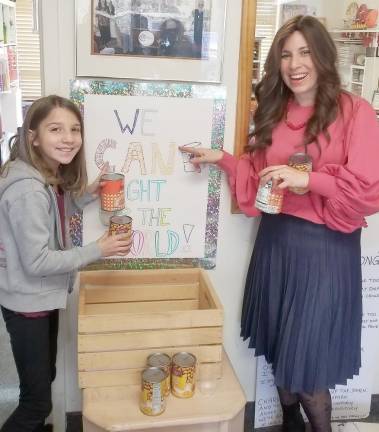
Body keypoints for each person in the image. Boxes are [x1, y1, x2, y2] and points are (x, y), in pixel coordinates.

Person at [180, 15, 379, 432]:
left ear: (323, 55)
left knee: (307, 373)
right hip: (276, 244)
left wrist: (310, 179)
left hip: (325, 252)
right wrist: (221, 159)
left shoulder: (356, 112)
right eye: (286, 55)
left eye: (305, 51)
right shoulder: (274, 112)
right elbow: (257, 177)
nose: (295, 64)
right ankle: (290, 425)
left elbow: (367, 188)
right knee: (279, 356)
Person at [0, 95, 132, 431]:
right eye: (55, 129)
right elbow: (38, 261)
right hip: (28, 302)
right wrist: (99, 249)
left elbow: (54, 218)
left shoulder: (43, 175)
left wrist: (87, 194)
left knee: (46, 377)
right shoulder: (28, 188)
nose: (68, 138)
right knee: (36, 403)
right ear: (33, 136)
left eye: (74, 129)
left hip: (40, 298)